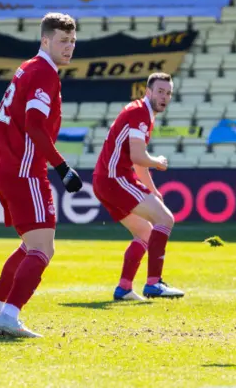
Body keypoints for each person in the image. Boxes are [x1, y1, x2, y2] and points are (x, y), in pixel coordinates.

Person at [0, 13, 82, 338]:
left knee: (28, 246)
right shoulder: (42, 73)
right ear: (45, 40)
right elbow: (34, 125)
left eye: (73, 41)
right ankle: (10, 316)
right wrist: (63, 167)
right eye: (63, 41)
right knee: (43, 248)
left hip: (7, 167)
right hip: (24, 170)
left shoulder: (27, 68)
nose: (69, 47)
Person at [93, 72, 184, 301]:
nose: (165, 97)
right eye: (160, 91)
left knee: (145, 232)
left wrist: (153, 190)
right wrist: (158, 162)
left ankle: (124, 288)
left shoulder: (141, 112)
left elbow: (136, 160)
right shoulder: (140, 113)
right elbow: (139, 156)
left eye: (169, 93)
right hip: (115, 179)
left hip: (106, 179)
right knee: (166, 220)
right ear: (148, 92)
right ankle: (154, 283)